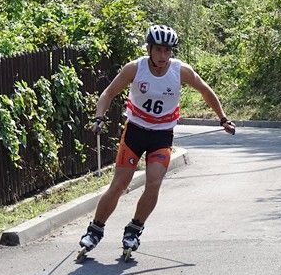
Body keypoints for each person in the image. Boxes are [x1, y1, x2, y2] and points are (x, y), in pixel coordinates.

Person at [78, 24, 236, 257]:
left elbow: (205, 90)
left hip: (162, 135)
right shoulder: (135, 68)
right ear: (149, 49)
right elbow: (109, 93)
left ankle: (134, 229)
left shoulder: (181, 71)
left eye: (167, 50)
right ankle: (95, 229)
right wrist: (99, 117)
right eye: (159, 50)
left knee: (153, 183)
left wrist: (223, 118)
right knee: (119, 184)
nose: (163, 55)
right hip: (135, 132)